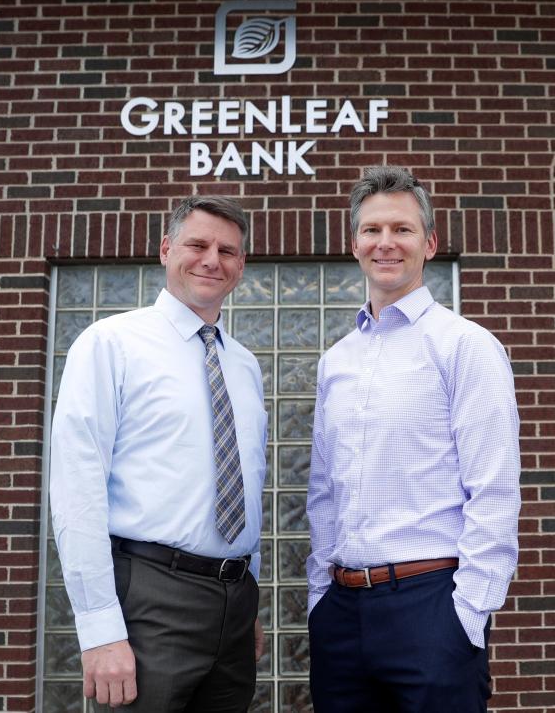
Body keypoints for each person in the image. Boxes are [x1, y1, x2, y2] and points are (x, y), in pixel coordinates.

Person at [306, 166, 521, 712]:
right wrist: (318, 598)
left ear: (429, 243)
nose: (386, 243)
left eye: (401, 229)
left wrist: (468, 613)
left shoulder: (464, 346)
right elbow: (324, 491)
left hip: (432, 609)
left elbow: (493, 489)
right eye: (372, 230)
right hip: (342, 613)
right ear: (354, 244)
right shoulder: (337, 360)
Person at [50, 195, 267, 711]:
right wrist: (100, 628)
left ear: (241, 266)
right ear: (166, 249)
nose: (212, 259)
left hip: (234, 606)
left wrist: (246, 600)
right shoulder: (110, 344)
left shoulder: (244, 365)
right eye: (198, 244)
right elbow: (77, 488)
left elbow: (243, 485)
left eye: (228, 250)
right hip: (149, 598)